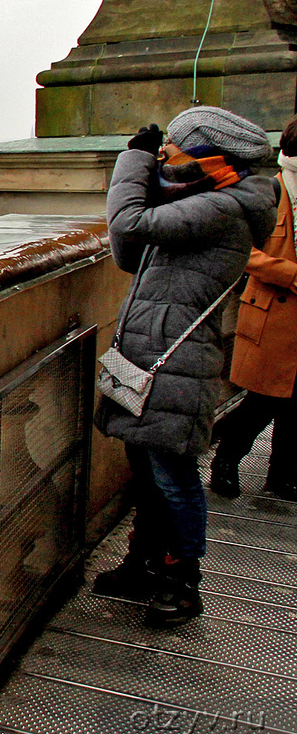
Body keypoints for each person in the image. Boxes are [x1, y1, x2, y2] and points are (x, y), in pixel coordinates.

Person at [92, 106, 279, 627]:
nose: (162, 156)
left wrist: (131, 162)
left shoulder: (224, 208)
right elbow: (129, 251)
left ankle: (183, 579)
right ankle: (145, 562)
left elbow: (128, 221)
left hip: (178, 360)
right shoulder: (200, 201)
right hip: (154, 354)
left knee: (174, 475)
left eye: (171, 149)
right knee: (147, 471)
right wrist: (152, 176)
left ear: (204, 157)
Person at [210, 115, 297, 500]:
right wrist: (290, 273)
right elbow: (244, 251)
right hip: (273, 313)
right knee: (263, 401)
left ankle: (283, 475)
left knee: (296, 405)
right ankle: (226, 459)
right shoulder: (270, 192)